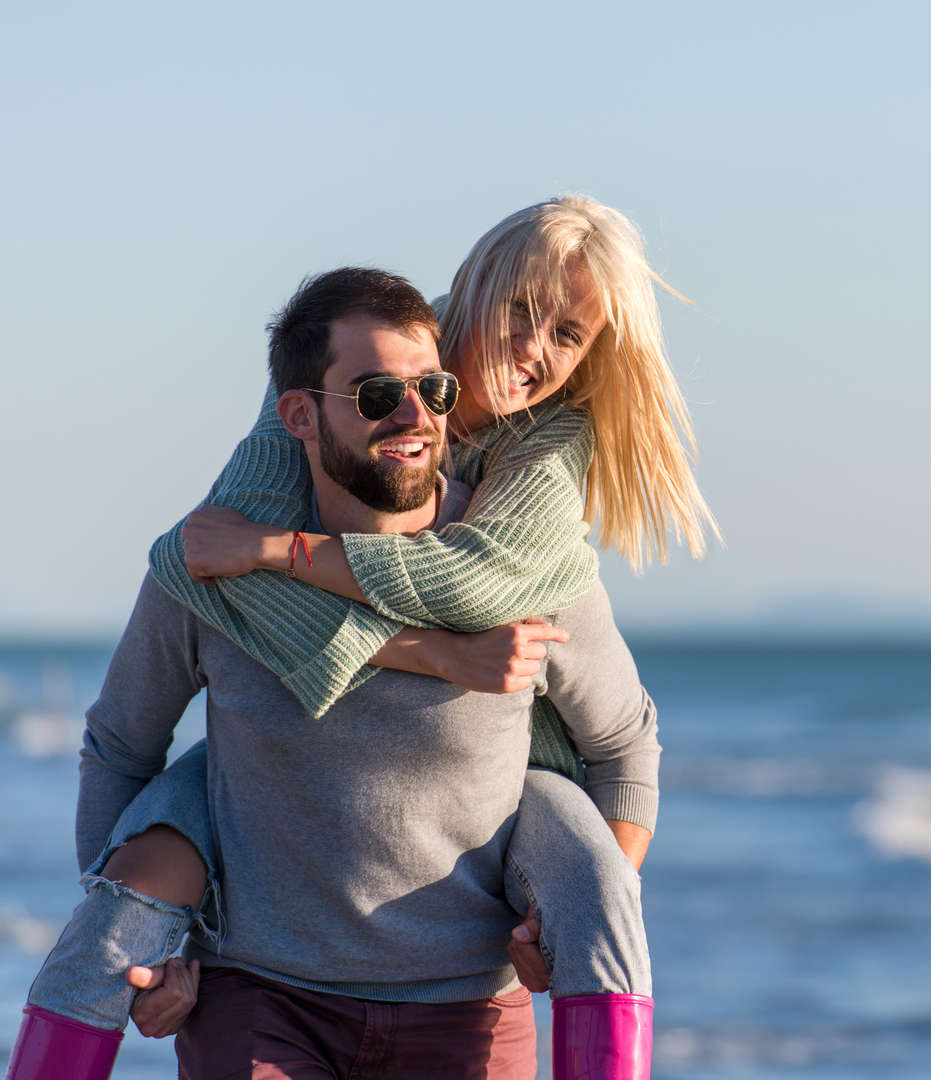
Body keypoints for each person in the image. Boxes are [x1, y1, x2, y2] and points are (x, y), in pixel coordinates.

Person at [5, 197, 714, 1080]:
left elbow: (621, 743)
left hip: (468, 1007)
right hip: (263, 999)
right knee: (182, 808)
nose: (533, 349)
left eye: (567, 334)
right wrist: (158, 953)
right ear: (302, 413)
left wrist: (556, 921)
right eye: (521, 310)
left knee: (571, 829)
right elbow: (119, 742)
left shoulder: (533, 554)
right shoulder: (220, 553)